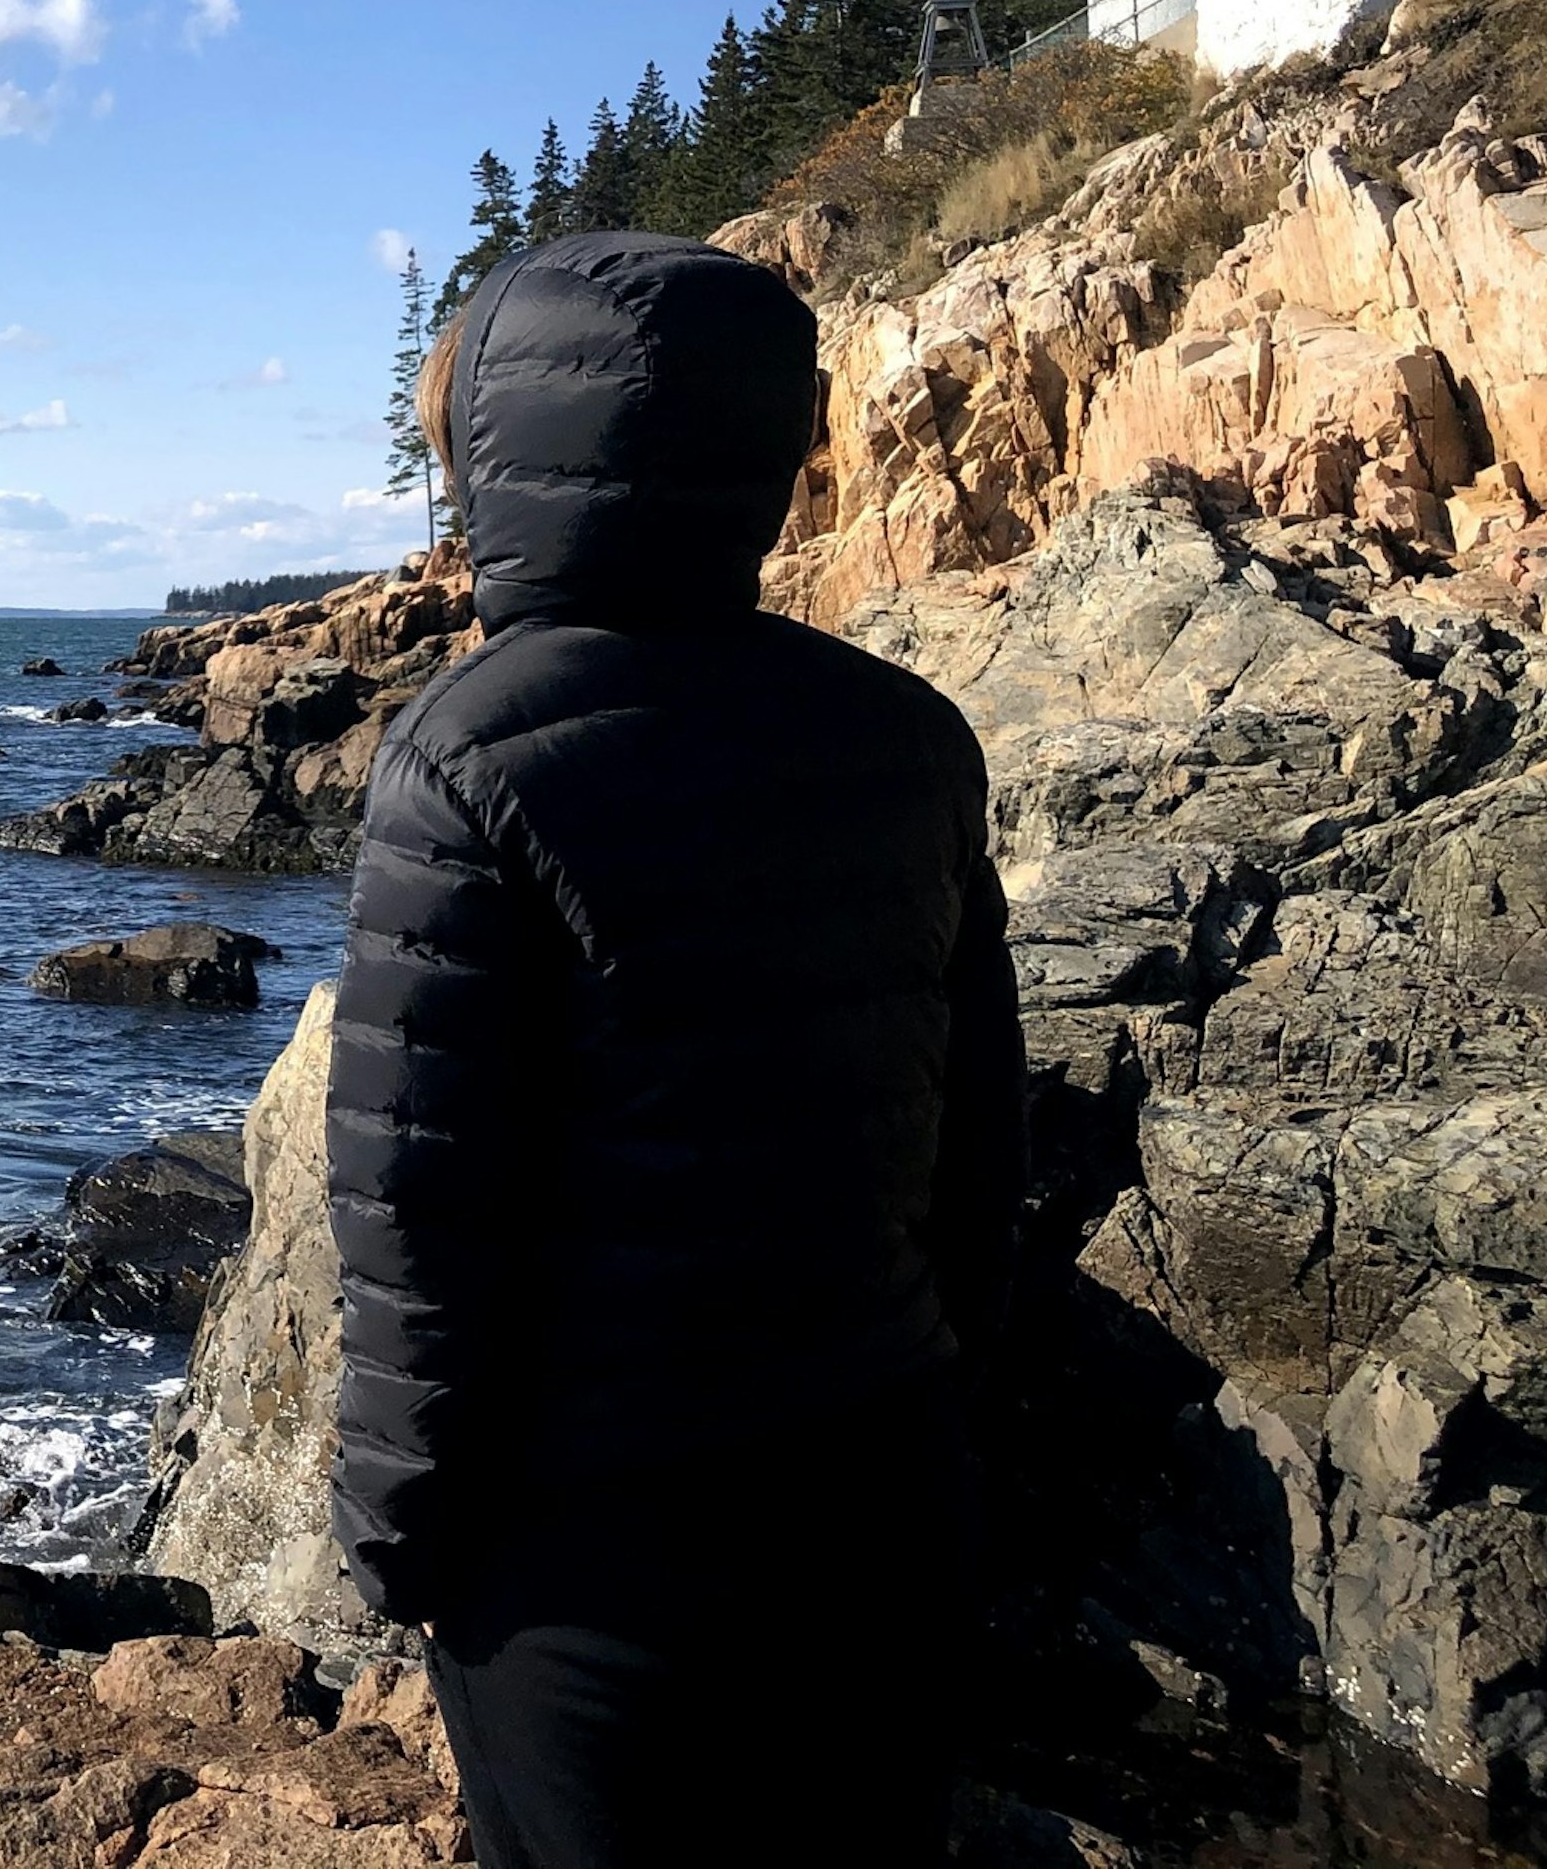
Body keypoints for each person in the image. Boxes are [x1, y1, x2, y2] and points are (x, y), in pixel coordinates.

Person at [329, 230, 1025, 1868]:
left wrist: (398, 1528)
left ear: (500, 453)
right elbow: (978, 1143)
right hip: (876, 1485)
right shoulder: (905, 730)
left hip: (593, 1546)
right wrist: (941, 1395)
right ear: (762, 455)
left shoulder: (467, 750)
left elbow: (418, 1210)